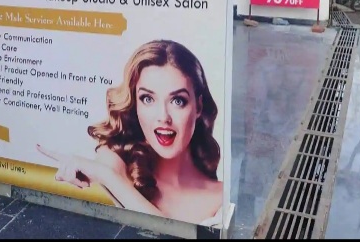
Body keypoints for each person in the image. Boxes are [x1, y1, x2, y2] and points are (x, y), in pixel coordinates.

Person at [37, 40, 223, 226]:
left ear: (198, 107)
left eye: (178, 101)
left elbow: (168, 232)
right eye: (148, 99)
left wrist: (110, 178)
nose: (163, 117)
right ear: (135, 104)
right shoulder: (117, 162)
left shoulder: (221, 199)